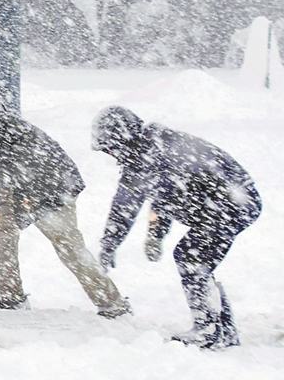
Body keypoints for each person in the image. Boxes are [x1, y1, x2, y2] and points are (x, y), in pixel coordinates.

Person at [0, 89, 130, 317]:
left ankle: (113, 304)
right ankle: (9, 295)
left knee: (69, 248)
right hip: (28, 189)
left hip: (52, 189)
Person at [92, 106, 261, 349]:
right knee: (196, 261)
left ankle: (209, 331)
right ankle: (221, 332)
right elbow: (161, 198)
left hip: (230, 203)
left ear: (121, 138)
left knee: (191, 259)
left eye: (110, 147)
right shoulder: (150, 146)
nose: (111, 154)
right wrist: (149, 236)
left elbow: (128, 204)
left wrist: (115, 242)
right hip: (231, 201)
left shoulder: (148, 154)